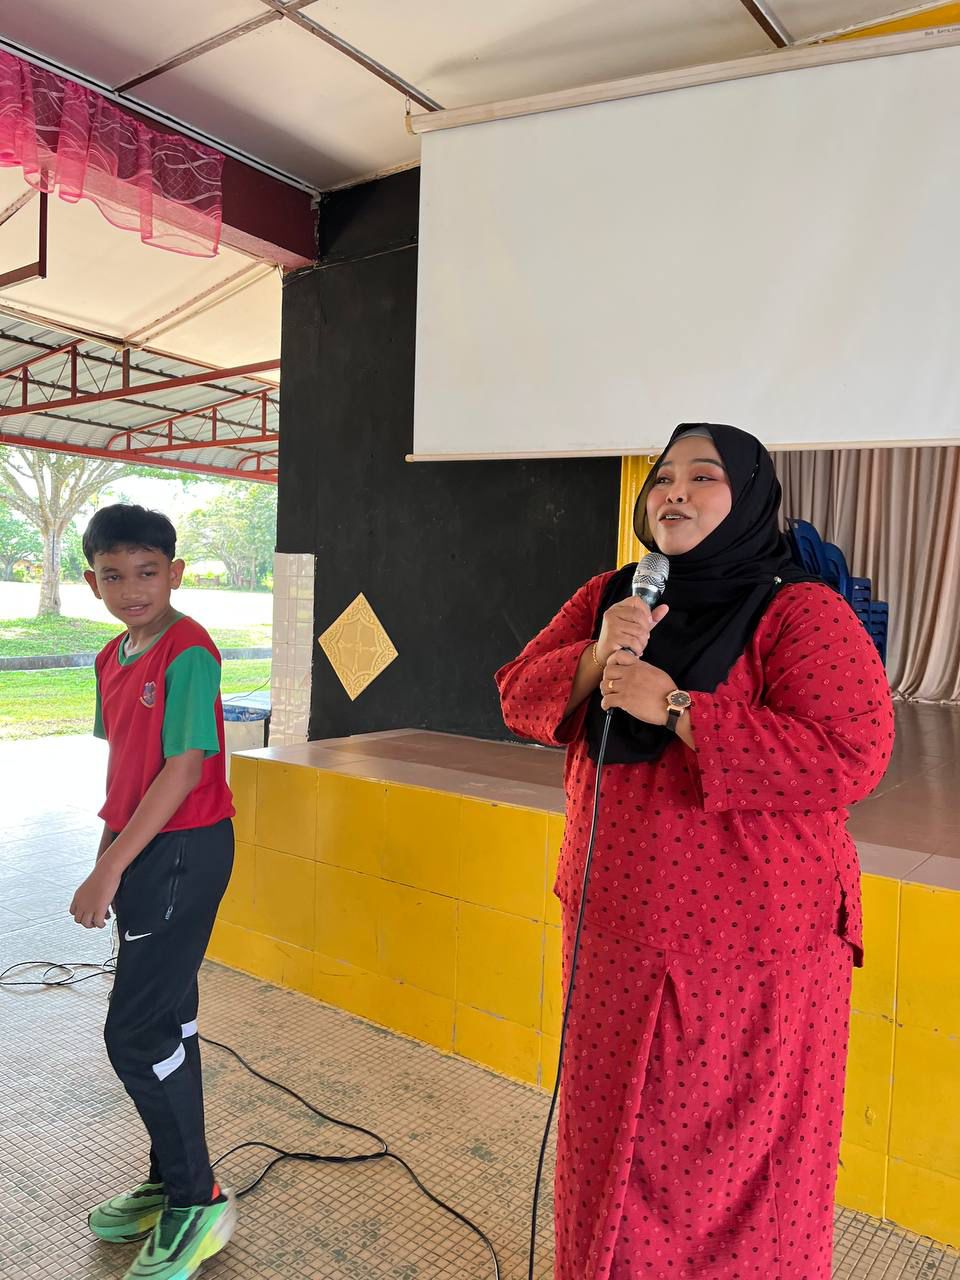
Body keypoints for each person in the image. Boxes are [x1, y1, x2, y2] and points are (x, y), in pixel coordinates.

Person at [496, 425, 894, 1280]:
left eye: (702, 476)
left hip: (753, 958)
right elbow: (517, 694)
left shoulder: (799, 610)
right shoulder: (612, 595)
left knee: (732, 1173)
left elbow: (852, 754)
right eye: (663, 477)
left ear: (748, 497)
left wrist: (676, 707)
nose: (673, 491)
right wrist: (599, 652)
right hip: (614, 935)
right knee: (610, 1142)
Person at [70, 503, 236, 1280]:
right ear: (92, 582)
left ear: (175, 573)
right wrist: (106, 857)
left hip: (184, 851)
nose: (131, 588)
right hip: (142, 850)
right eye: (113, 575)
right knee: (171, 1022)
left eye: (147, 572)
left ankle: (198, 1202)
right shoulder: (112, 655)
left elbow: (183, 769)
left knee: (135, 1034)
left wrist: (112, 869)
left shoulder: (189, 650)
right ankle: (174, 1180)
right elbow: (125, 773)